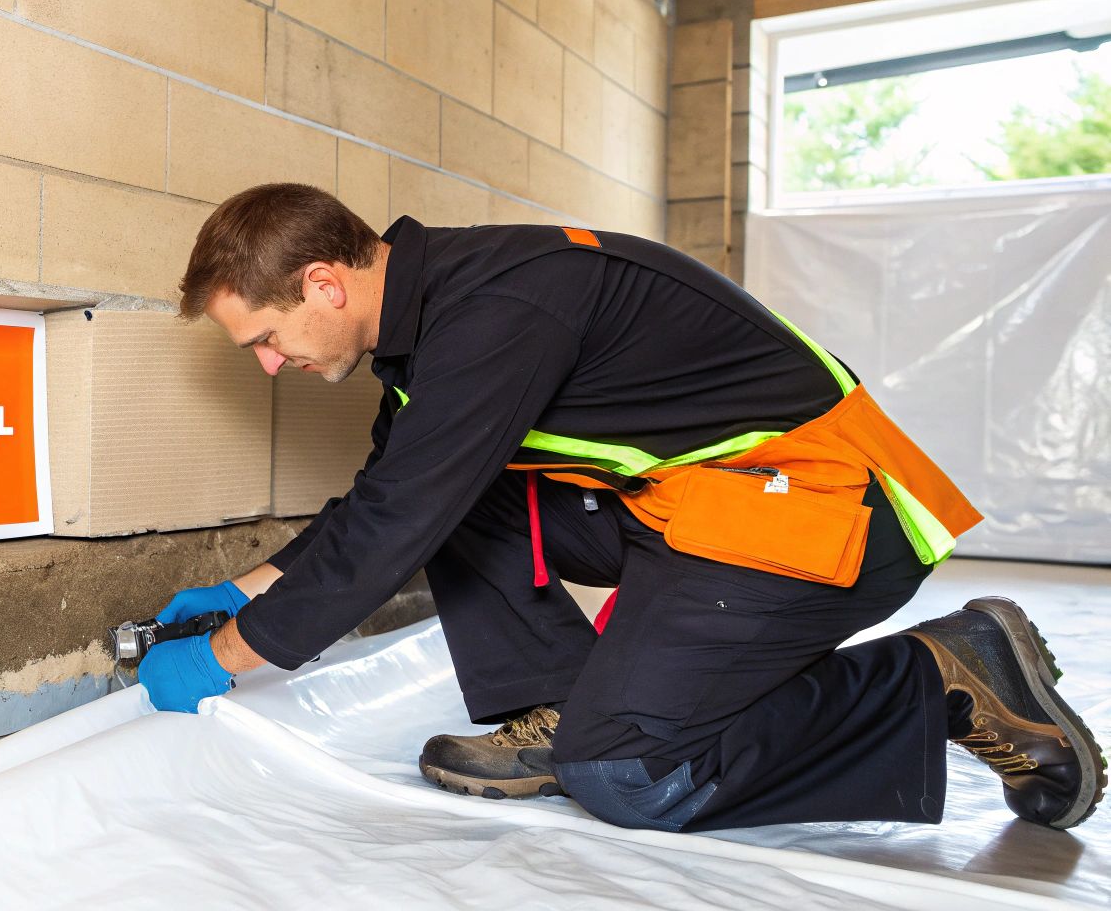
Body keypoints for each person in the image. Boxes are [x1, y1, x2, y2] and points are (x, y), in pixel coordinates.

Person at [137, 182, 1104, 833]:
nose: (271, 364)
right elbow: (385, 496)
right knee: (459, 494)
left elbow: (396, 527)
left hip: (830, 510)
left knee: (634, 777)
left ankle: (937, 676)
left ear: (322, 283)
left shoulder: (499, 310)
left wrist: (229, 659)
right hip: (705, 506)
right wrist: (236, 593)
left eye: (265, 338)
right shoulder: (432, 331)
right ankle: (564, 710)